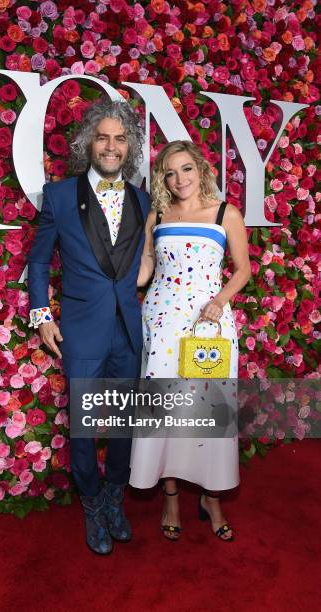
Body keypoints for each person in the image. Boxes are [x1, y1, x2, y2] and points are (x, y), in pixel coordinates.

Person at [27, 99, 150, 555]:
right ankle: (92, 503)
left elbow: (147, 261)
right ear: (88, 143)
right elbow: (38, 263)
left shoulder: (142, 198)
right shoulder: (59, 195)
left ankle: (115, 495)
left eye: (120, 139)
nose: (111, 147)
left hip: (129, 330)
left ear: (130, 146)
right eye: (103, 137)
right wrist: (42, 317)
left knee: (121, 424)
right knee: (85, 425)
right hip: (80, 330)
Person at [130, 140, 251, 542]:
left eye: (185, 169)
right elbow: (147, 264)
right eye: (169, 172)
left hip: (208, 326)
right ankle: (171, 497)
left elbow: (243, 270)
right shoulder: (158, 214)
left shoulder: (224, 213)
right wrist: (121, 282)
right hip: (162, 325)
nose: (178, 179)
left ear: (200, 169)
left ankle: (211, 497)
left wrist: (219, 301)